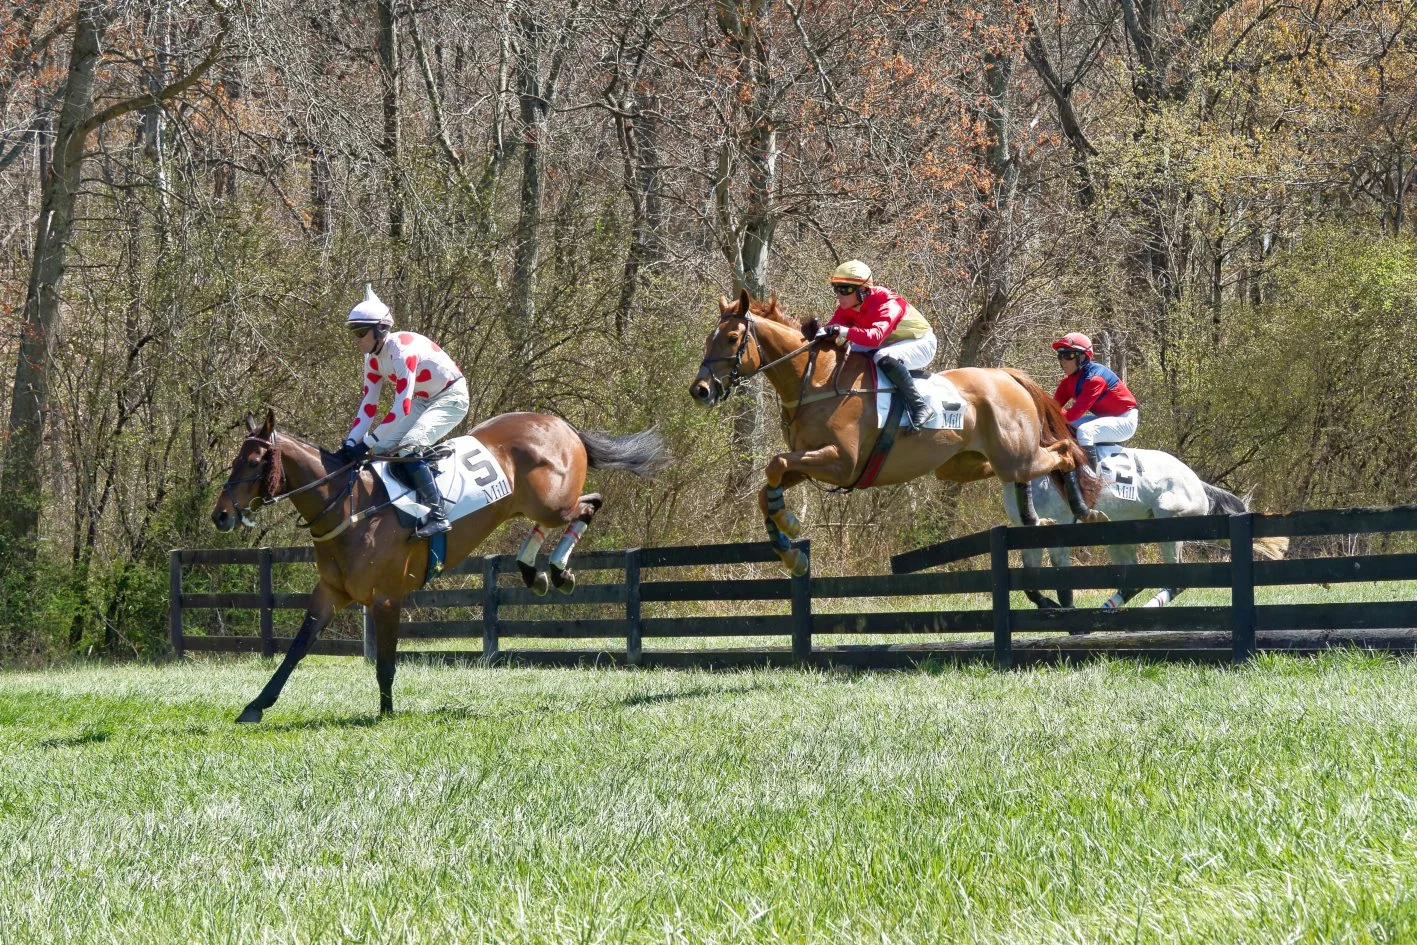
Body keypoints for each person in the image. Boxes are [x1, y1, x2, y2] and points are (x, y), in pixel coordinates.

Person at [338, 284, 469, 539]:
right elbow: (369, 404)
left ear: (380, 330)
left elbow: (401, 407)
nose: (356, 338)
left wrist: (367, 441)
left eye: (361, 331)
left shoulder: (402, 352)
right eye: (353, 331)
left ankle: (437, 513)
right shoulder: (372, 359)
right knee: (378, 451)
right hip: (423, 399)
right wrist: (352, 442)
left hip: (451, 396)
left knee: (410, 446)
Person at [817, 260, 955, 433]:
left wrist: (842, 330)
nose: (838, 294)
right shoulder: (847, 307)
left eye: (844, 289)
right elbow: (831, 329)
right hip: (889, 342)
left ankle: (920, 407)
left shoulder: (887, 301)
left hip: (920, 342)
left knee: (883, 356)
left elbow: (874, 338)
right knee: (849, 353)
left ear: (863, 290)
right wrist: (815, 333)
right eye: (836, 288)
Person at [1051, 331, 1138, 470]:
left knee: (1085, 432)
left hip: (1125, 421)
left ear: (1083, 357)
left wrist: (1053, 417)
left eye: (1069, 355)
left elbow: (1073, 414)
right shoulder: (1067, 383)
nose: (1063, 361)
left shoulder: (1095, 379)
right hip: (1104, 418)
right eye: (1060, 356)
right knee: (1063, 428)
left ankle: (1090, 477)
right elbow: (1052, 409)